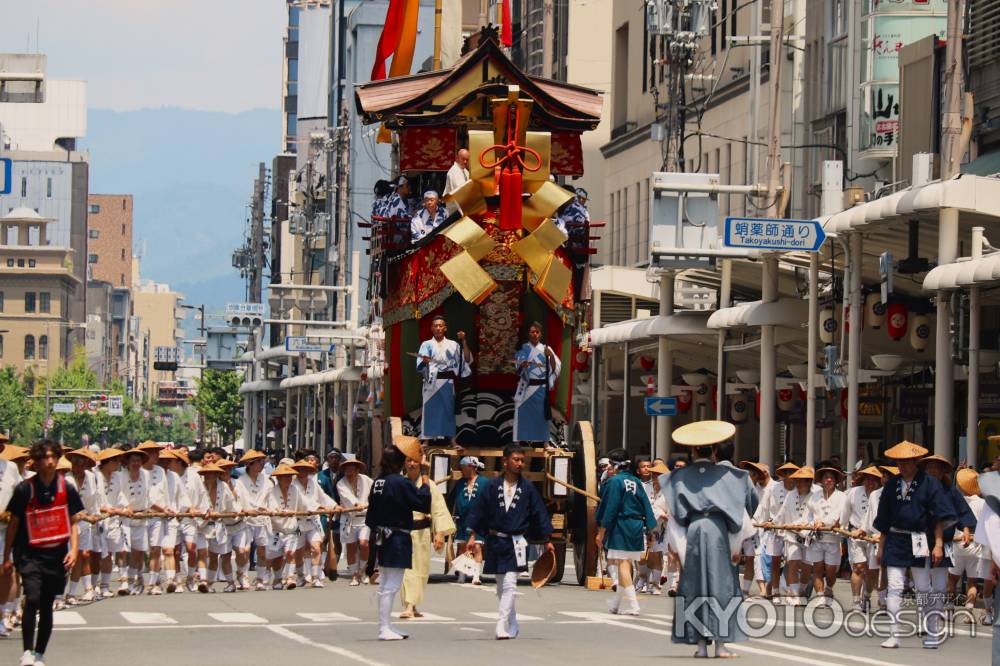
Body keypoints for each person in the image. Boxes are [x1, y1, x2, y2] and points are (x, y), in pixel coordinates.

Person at [662, 421, 751, 658]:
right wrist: (736, 546)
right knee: (722, 586)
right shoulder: (729, 475)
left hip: (693, 530)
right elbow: (740, 514)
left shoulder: (679, 476)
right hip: (719, 530)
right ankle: (721, 646)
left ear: (692, 451)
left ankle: (700, 646)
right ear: (714, 451)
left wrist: (680, 549)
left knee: (694, 587)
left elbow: (674, 519)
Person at [3, 440, 84, 666]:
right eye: (43, 458)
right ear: (36, 463)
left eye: (52, 457)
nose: (49, 462)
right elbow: (14, 523)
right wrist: (6, 556)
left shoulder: (66, 488)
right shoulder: (24, 489)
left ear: (58, 459)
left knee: (47, 604)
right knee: (32, 597)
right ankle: (27, 651)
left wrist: (75, 550)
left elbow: (74, 521)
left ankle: (40, 653)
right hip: (29, 554)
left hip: (56, 555)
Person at [874, 441, 957, 649]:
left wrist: (938, 544)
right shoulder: (892, 484)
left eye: (907, 462)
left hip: (920, 539)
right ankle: (894, 634)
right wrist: (881, 546)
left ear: (916, 462)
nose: (903, 466)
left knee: (923, 588)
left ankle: (932, 632)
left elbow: (939, 517)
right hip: (895, 539)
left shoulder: (930, 483)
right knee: (894, 587)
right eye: (899, 462)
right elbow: (884, 519)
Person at [467, 444, 554, 640]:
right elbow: (479, 510)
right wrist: (472, 535)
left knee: (510, 584)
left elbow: (539, 513)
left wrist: (547, 539)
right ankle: (513, 622)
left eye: (522, 460)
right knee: (501, 586)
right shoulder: (491, 486)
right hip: (496, 540)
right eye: (515, 459)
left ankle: (500, 624)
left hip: (516, 542)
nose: (520, 463)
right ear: (505, 461)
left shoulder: (528, 488)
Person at [365, 435, 432, 641]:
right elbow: (422, 502)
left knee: (387, 583)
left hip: (382, 535)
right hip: (396, 538)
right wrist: (425, 477)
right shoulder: (400, 482)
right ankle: (383, 627)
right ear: (399, 462)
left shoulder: (378, 482)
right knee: (391, 584)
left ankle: (386, 625)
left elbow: (372, 516)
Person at [596, 449, 656, 616]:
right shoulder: (636, 481)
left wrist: (601, 532)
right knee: (626, 563)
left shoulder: (615, 482)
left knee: (622, 564)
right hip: (637, 525)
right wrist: (652, 528)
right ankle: (615, 604)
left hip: (622, 524)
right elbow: (647, 506)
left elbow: (610, 509)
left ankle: (634, 605)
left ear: (615, 465)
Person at [400, 454, 455, 618]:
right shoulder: (400, 483)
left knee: (421, 569)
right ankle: (409, 604)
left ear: (420, 463)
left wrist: (439, 533)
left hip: (422, 532)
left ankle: (413, 604)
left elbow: (438, 510)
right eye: (408, 461)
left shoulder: (429, 485)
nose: (411, 464)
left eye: (414, 461)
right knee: (406, 570)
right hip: (404, 532)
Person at [416, 316, 472, 444]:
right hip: (431, 382)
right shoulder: (427, 344)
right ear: (431, 328)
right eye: (435, 325)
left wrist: (463, 341)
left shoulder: (453, 344)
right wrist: (424, 361)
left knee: (448, 410)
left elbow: (466, 360)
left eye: (440, 325)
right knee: (430, 410)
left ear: (445, 328)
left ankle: (452, 440)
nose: (438, 328)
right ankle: (427, 440)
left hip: (447, 382)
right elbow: (420, 364)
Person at [950, 468, 993, 624]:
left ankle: (949, 608)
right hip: (976, 546)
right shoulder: (984, 503)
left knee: (952, 580)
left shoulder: (957, 501)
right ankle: (969, 611)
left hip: (958, 544)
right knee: (972, 582)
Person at [755, 461, 797, 602]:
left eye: (792, 472)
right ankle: (775, 590)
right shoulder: (774, 489)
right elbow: (764, 507)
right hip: (774, 528)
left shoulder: (798, 489)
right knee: (775, 561)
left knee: (792, 561)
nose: (789, 475)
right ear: (783, 475)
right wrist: (761, 522)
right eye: (787, 473)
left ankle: (792, 591)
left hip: (792, 529)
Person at [513, 322, 561, 445]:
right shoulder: (524, 348)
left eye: (537, 332)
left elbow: (554, 368)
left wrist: (550, 357)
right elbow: (518, 367)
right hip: (528, 386)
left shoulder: (546, 349)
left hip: (541, 388)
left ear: (540, 334)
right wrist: (522, 365)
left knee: (542, 416)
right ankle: (518, 440)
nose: (534, 334)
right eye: (532, 331)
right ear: (528, 334)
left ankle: (545, 442)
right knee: (521, 411)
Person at [263, 464, 309, 590]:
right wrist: (276, 511)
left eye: (289, 476)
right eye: (284, 477)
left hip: (292, 528)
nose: (288, 479)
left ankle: (290, 577)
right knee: (275, 557)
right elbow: (269, 506)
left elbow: (304, 505)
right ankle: (277, 578)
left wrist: (313, 509)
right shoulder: (271, 491)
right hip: (276, 529)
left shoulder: (295, 490)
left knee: (290, 553)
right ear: (278, 478)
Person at [842, 466, 882, 612]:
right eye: (868, 479)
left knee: (872, 571)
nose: (870, 482)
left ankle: (866, 596)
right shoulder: (853, 493)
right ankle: (856, 601)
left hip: (874, 536)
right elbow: (845, 513)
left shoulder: (881, 495)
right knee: (858, 567)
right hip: (856, 534)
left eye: (874, 480)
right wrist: (843, 527)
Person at [807, 466, 847, 607]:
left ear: (835, 480)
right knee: (817, 568)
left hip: (832, 538)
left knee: (831, 572)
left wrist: (823, 522)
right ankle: (819, 596)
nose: (828, 480)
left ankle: (829, 588)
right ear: (822, 480)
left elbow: (839, 516)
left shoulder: (842, 497)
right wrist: (813, 523)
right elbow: (809, 514)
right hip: (817, 537)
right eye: (826, 477)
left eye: (831, 477)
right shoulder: (815, 496)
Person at [447, 456, 489, 585]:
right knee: (462, 547)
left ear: (471, 467)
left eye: (463, 468)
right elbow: (452, 499)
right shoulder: (460, 483)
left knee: (477, 546)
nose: (462, 470)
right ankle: (462, 574)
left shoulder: (485, 482)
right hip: (463, 519)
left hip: (479, 520)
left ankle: (476, 575)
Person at [234, 450, 272, 590]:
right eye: (258, 462)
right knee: (243, 551)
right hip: (246, 519)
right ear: (250, 464)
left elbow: (271, 498)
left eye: (263, 462)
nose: (261, 464)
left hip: (262, 519)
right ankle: (242, 575)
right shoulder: (240, 482)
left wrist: (270, 509)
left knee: (262, 550)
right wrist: (245, 510)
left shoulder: (267, 480)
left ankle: (260, 579)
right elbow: (237, 500)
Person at [336, 456, 373, 586]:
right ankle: (354, 575)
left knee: (364, 543)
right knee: (350, 547)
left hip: (364, 518)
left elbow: (374, 493)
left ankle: (362, 571)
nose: (349, 473)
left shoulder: (367, 480)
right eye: (347, 470)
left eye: (352, 470)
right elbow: (347, 498)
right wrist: (357, 504)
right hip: (349, 519)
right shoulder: (341, 483)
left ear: (358, 470)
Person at [317, 449, 343, 580]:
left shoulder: (344, 474)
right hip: (326, 511)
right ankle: (321, 566)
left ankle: (334, 566)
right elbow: (320, 494)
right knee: (324, 538)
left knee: (337, 540)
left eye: (336, 457)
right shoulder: (321, 475)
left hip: (340, 510)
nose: (334, 460)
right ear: (327, 460)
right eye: (331, 457)